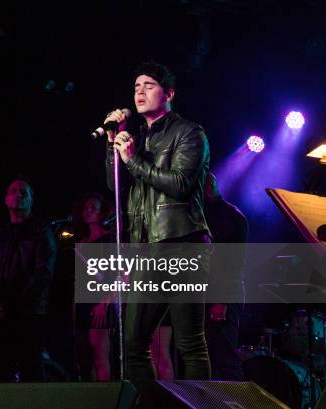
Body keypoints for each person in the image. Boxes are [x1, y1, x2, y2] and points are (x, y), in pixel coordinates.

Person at [104, 62, 211, 381]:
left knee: (190, 342)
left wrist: (134, 159)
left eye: (149, 86)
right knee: (133, 343)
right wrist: (115, 146)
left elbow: (180, 184)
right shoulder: (135, 136)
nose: (140, 92)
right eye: (136, 87)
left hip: (182, 243)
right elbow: (116, 186)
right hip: (147, 247)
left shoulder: (190, 132)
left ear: (169, 94)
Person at [0, 177, 57, 382]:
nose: (18, 195)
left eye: (23, 192)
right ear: (6, 199)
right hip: (1, 316)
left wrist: (12, 305)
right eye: (13, 191)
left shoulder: (42, 231)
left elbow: (43, 275)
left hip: (29, 314)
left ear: (31, 200)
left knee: (31, 371)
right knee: (1, 371)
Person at [204, 172, 248, 381]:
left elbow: (233, 263)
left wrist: (222, 300)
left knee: (225, 357)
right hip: (204, 293)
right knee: (206, 357)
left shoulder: (232, 216)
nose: (207, 186)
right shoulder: (199, 213)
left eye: (210, 182)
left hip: (224, 293)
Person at [73, 192, 116, 381]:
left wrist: (104, 303)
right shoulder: (82, 242)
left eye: (93, 208)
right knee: (84, 358)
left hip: (100, 303)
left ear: (102, 213)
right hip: (83, 303)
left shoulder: (109, 241)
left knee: (100, 357)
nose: (88, 211)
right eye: (86, 207)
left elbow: (115, 277)